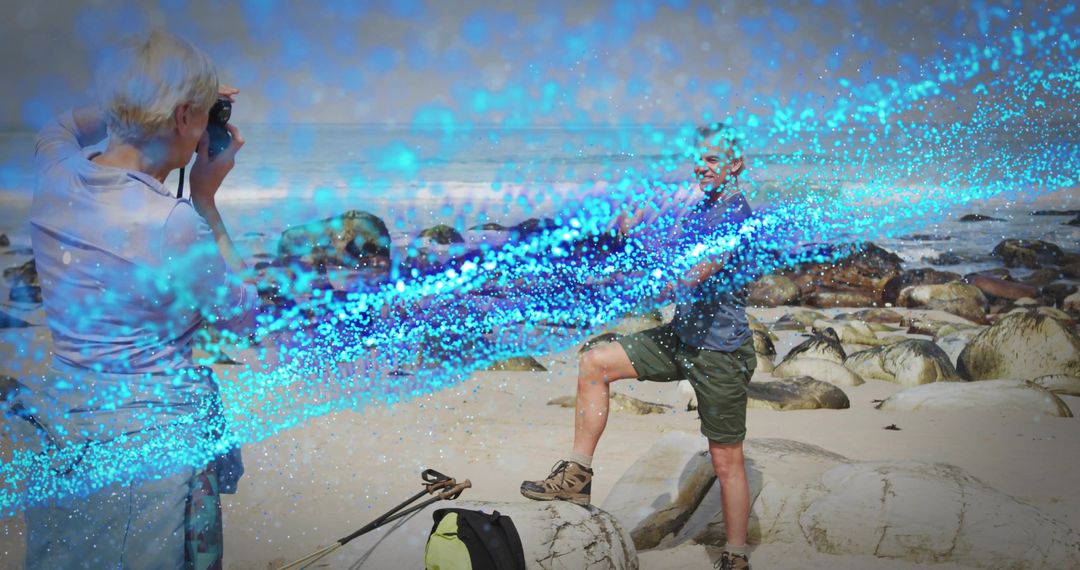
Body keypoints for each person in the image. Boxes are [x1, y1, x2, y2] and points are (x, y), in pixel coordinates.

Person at [9, 30, 256, 569]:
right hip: (156, 451)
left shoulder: (54, 173)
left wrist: (145, 99)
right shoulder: (174, 224)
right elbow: (242, 315)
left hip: (64, 432)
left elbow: (63, 125)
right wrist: (207, 202)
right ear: (186, 118)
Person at [521, 125, 758, 570]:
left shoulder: (736, 215)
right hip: (680, 337)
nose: (700, 167)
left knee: (726, 461)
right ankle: (577, 475)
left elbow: (694, 273)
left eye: (710, 160)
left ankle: (737, 553)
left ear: (736, 163)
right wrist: (635, 236)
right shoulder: (704, 208)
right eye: (697, 158)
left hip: (718, 352)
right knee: (595, 362)